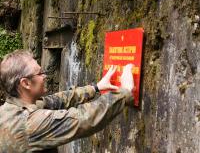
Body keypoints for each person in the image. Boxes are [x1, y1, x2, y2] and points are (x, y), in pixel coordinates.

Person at [0, 50, 134, 152]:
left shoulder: (10, 108)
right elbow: (84, 119)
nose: (45, 76)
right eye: (40, 73)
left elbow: (57, 100)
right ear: (26, 83)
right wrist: (123, 92)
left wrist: (96, 88)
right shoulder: (30, 123)